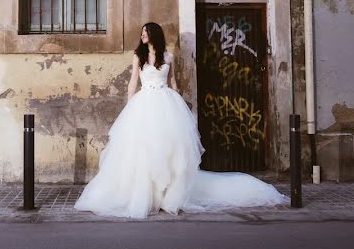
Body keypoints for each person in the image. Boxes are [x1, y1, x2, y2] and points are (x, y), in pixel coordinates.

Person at [74, 22, 289, 218]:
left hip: (166, 102)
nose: (142, 35)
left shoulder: (168, 57)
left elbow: (174, 82)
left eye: (146, 32)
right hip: (144, 104)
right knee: (144, 149)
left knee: (169, 149)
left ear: (154, 34)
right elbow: (132, 83)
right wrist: (129, 108)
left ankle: (167, 195)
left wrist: (181, 103)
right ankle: (148, 194)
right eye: (141, 32)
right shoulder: (138, 57)